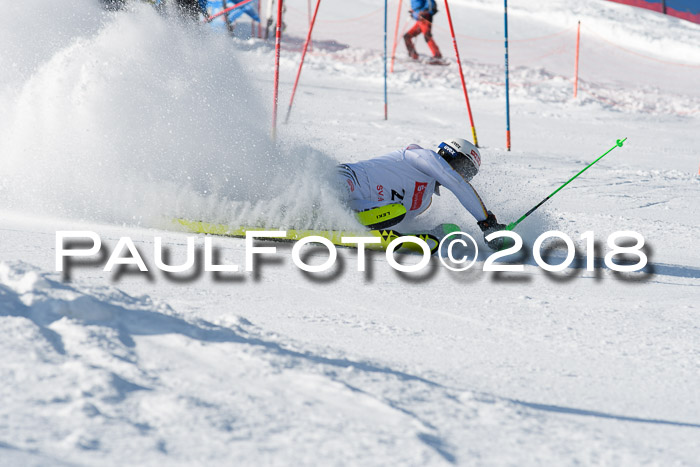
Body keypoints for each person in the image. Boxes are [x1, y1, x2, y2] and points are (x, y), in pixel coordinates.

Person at [336, 138, 507, 250]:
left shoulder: (424, 202)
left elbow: (389, 224)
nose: (463, 175)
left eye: (469, 174)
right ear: (449, 155)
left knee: (395, 212)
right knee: (394, 210)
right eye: (463, 168)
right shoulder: (422, 157)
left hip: (359, 205)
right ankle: (325, 207)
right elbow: (457, 184)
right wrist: (487, 222)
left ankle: (337, 218)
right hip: (346, 178)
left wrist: (430, 233)